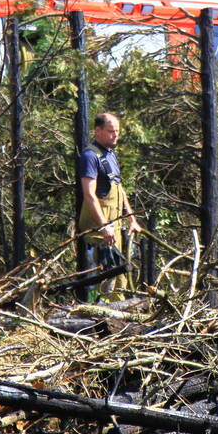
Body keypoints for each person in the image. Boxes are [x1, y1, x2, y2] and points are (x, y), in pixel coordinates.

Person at [78, 112, 140, 300]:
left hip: (114, 229)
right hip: (98, 232)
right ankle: (97, 320)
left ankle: (119, 322)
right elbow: (89, 194)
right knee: (103, 279)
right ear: (98, 131)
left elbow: (119, 190)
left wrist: (132, 219)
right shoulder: (90, 156)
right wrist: (103, 226)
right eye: (111, 131)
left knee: (120, 279)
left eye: (117, 132)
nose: (115, 135)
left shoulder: (111, 155)